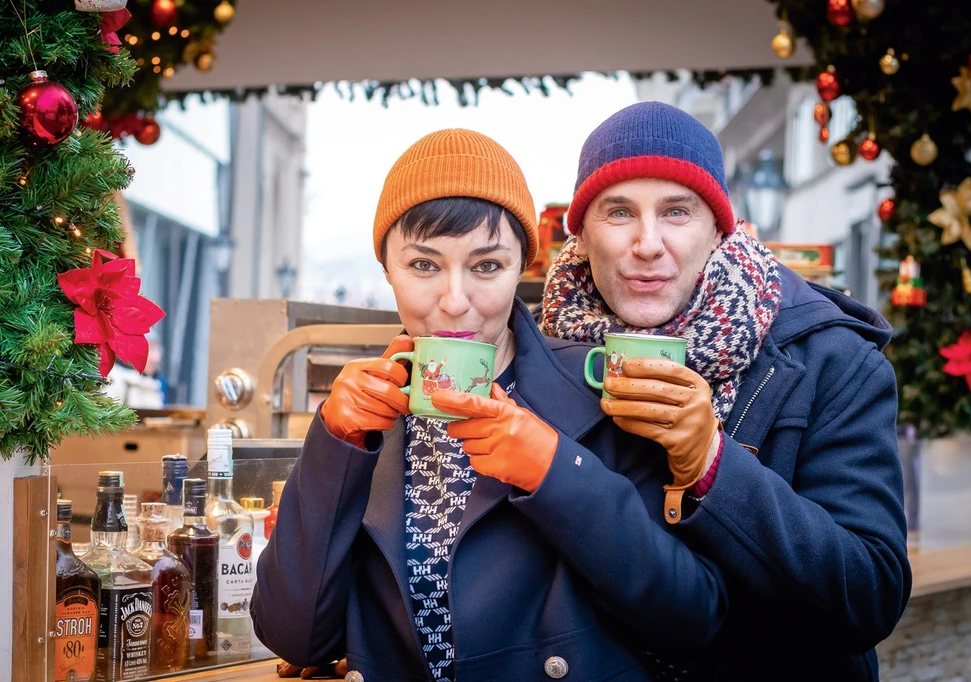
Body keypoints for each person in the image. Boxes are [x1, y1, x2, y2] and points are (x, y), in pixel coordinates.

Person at [253, 129, 729, 681]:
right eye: (424, 266)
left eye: (486, 266)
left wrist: (554, 470)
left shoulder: (601, 390)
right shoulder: (368, 416)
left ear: (522, 267)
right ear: (386, 268)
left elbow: (693, 618)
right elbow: (295, 635)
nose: (455, 302)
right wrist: (334, 446)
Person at [539, 101, 911, 679]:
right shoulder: (540, 358)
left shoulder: (833, 361)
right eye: (618, 212)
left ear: (718, 229)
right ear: (582, 234)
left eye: (677, 212)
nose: (647, 243)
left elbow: (868, 595)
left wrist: (712, 464)